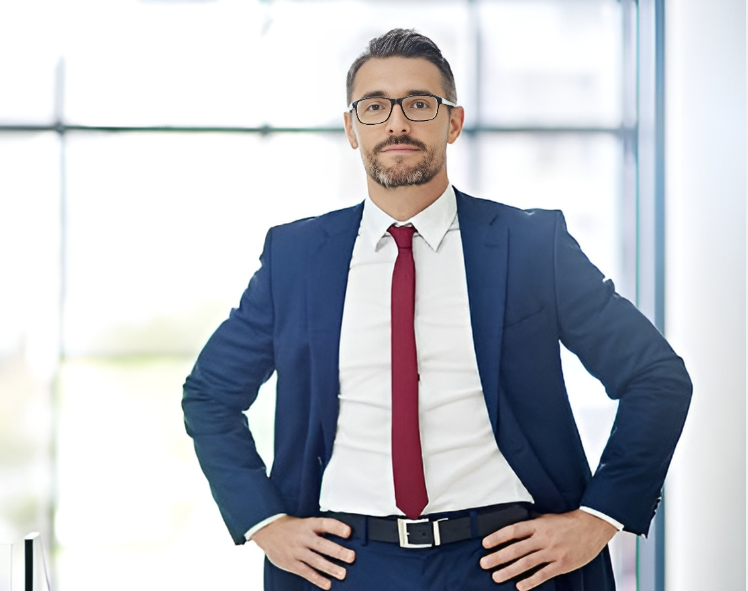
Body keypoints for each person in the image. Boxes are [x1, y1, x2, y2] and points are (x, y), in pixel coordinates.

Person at [182, 28, 691, 591]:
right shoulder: (296, 257)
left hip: (511, 562)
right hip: (344, 566)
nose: (397, 123)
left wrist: (601, 517)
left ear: (452, 121)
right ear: (352, 129)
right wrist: (264, 520)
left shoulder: (530, 245)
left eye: (419, 104)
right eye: (374, 106)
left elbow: (655, 377)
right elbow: (210, 394)